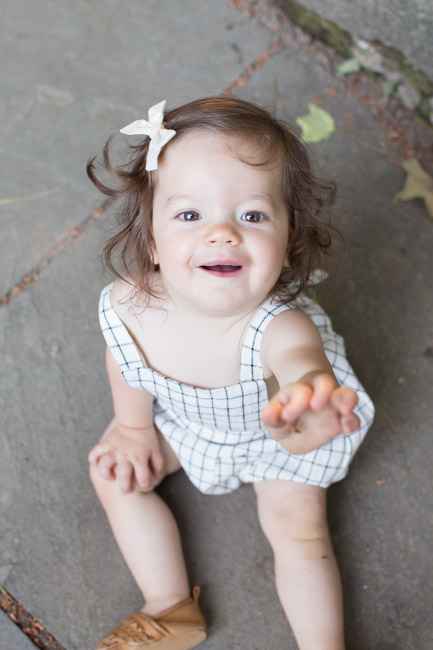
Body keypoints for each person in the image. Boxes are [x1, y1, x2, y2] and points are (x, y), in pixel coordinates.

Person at [87, 97, 374, 650]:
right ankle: (168, 605)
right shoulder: (129, 306)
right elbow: (123, 362)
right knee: (111, 471)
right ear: (151, 239)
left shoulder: (279, 327)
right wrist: (134, 429)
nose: (222, 233)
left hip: (278, 442)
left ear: (289, 244)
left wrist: (308, 402)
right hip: (191, 428)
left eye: (252, 215)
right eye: (190, 215)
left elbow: (303, 364)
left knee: (298, 532)